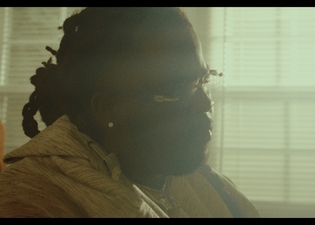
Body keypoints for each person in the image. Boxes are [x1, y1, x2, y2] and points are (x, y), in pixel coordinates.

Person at [0, 7, 260, 217]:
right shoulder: (31, 200)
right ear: (107, 108)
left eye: (203, 81)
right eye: (177, 89)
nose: (205, 104)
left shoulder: (208, 185)